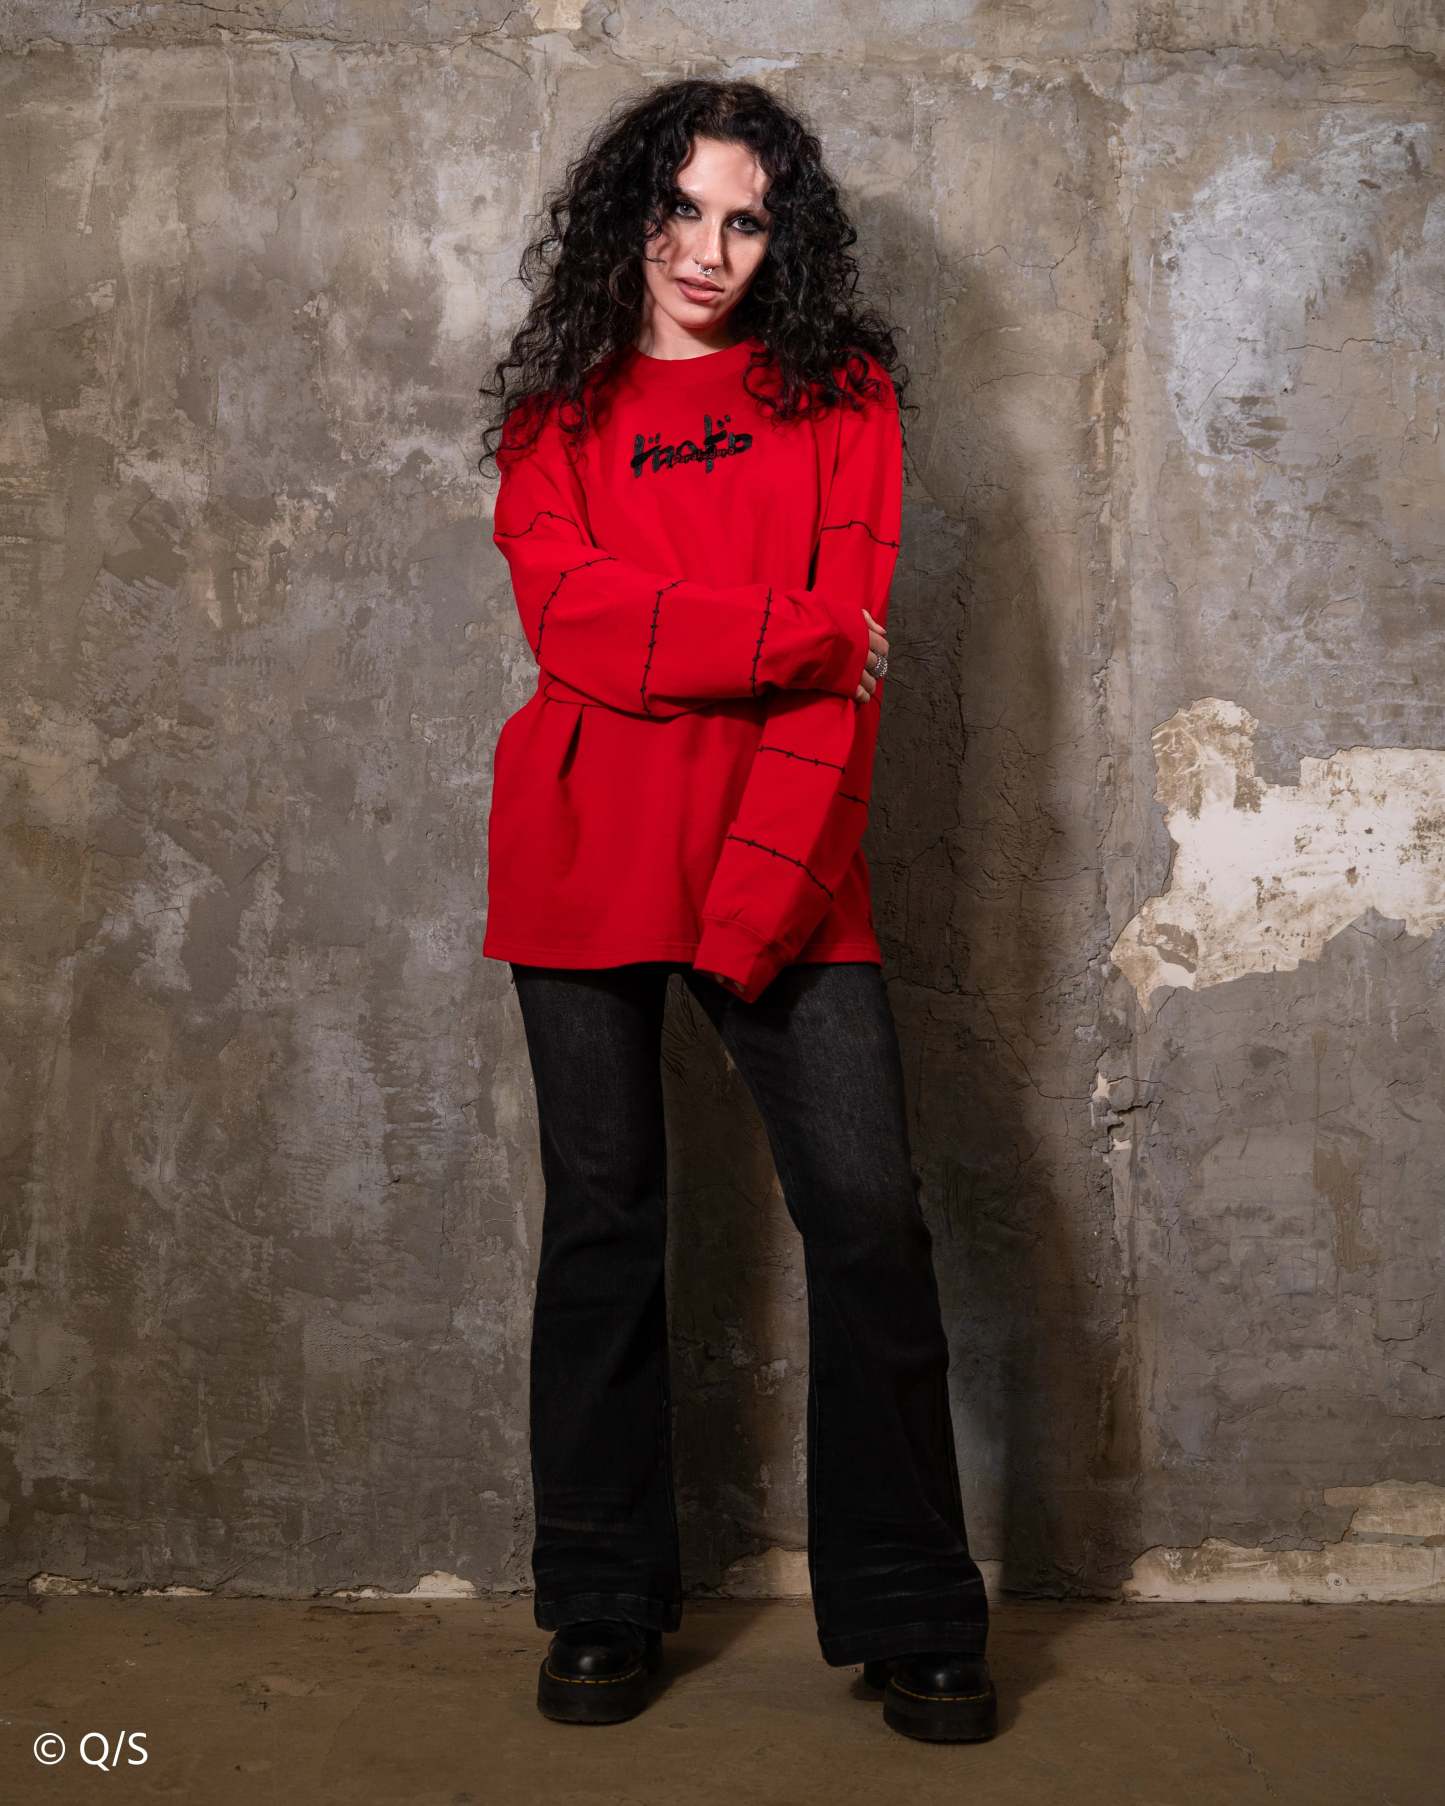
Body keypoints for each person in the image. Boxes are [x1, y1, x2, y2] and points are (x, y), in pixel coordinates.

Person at [476, 76, 994, 1745]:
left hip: (780, 848)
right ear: (627, 217)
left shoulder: (839, 396)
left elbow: (838, 675)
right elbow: (574, 623)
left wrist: (758, 894)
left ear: (786, 238)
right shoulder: (556, 411)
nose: (707, 250)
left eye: (745, 219)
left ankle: (913, 1607)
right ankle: (600, 1596)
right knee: (603, 1224)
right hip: (580, 841)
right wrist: (789, 630)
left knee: (867, 1215)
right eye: (679, 210)